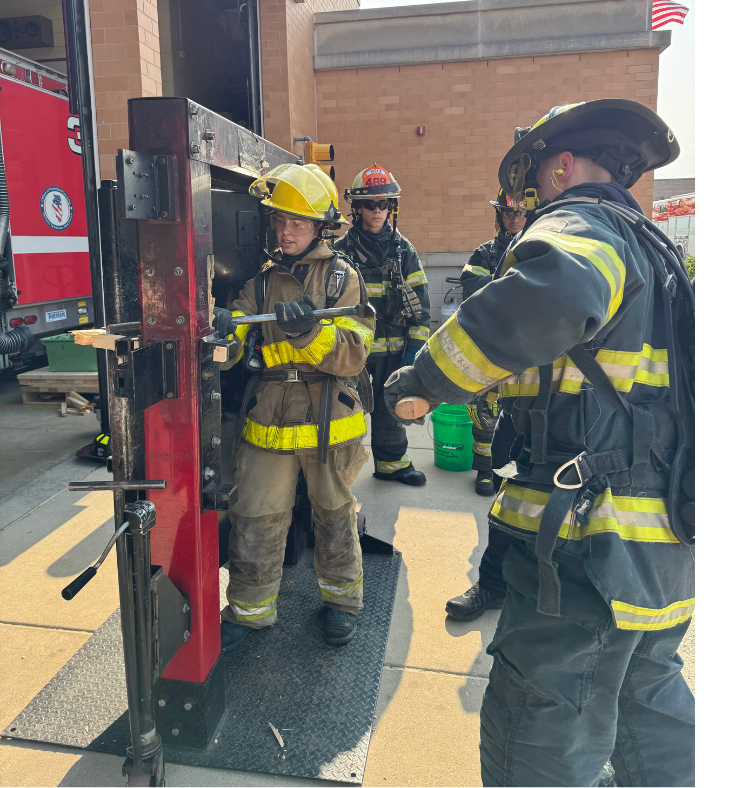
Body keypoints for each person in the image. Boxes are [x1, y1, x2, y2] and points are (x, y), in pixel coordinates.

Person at [385, 99, 696, 786]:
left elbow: (549, 296)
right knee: (650, 714)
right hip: (659, 549)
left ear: (558, 168)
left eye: (529, 193)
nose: (526, 210)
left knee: (538, 735)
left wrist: (426, 379)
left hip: (585, 553)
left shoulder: (579, 223)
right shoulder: (657, 252)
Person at [212, 163, 375, 649]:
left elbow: (354, 353)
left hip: (330, 420)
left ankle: (343, 604)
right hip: (269, 418)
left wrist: (309, 332)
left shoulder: (343, 279)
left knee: (333, 515)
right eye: (280, 221)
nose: (286, 231)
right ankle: (250, 611)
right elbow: (231, 355)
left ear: (321, 227)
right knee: (256, 515)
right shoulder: (259, 285)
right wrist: (222, 332)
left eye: (298, 222)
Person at [334, 164, 431, 487]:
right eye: (369, 204)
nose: (377, 211)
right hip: (352, 357)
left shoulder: (405, 252)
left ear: (392, 207)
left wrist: (413, 355)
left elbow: (421, 310)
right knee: (344, 414)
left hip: (394, 354)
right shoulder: (340, 253)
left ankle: (392, 466)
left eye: (384, 204)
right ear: (356, 207)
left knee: (391, 412)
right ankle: (336, 477)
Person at [460, 189, 526, 496]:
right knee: (484, 414)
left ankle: (516, 469)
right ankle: (485, 471)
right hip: (489, 349)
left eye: (521, 213)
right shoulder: (483, 254)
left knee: (522, 411)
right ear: (499, 214)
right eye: (509, 212)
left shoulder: (538, 252)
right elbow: (475, 292)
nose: (515, 219)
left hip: (527, 349)